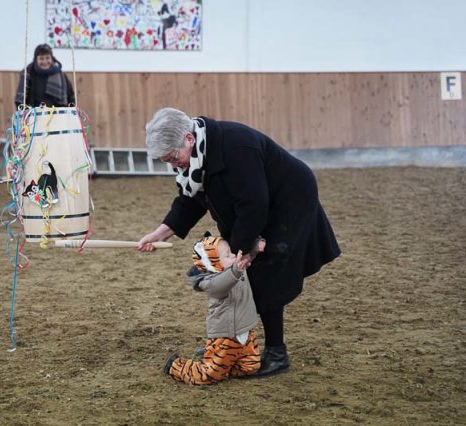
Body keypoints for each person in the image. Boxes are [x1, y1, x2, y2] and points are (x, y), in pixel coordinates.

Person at [138, 107, 341, 378]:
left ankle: (276, 354)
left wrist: (239, 251)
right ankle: (230, 344)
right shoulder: (196, 159)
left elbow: (253, 205)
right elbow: (191, 201)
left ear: (188, 138)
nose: (174, 166)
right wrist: (160, 233)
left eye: (174, 158)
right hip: (257, 204)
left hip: (289, 200)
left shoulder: (236, 147)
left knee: (264, 271)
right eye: (167, 162)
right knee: (240, 273)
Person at [164, 233, 265, 385]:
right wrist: (236, 270)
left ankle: (214, 355)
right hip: (226, 335)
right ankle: (176, 366)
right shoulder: (212, 282)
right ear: (214, 264)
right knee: (208, 375)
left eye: (231, 252)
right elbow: (222, 284)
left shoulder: (235, 267)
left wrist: (255, 247)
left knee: (250, 367)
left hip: (246, 332)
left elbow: (245, 258)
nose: (233, 256)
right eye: (227, 255)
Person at [14, 43, 75, 109]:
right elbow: (20, 101)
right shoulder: (28, 74)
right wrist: (26, 113)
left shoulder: (61, 75)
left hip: (58, 114)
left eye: (47, 58)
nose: (45, 62)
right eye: (41, 58)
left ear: (52, 59)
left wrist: (70, 112)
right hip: (34, 114)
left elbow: (71, 97)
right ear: (36, 59)